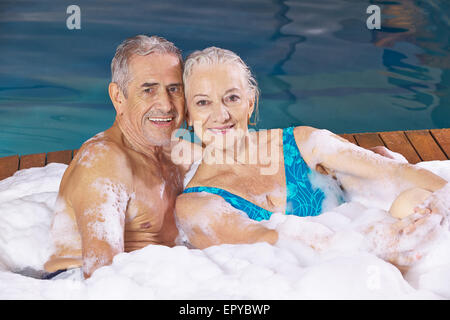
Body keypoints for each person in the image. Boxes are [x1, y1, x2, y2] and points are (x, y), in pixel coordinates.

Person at [174, 47, 448, 265]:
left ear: (250, 102)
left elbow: (397, 174)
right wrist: (378, 245)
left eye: (231, 98)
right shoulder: (197, 204)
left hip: (381, 261)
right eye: (202, 103)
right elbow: (270, 243)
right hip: (324, 279)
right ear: (188, 114)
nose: (220, 115)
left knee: (415, 202)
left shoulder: (303, 143)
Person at [44, 35, 196, 279]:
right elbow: (101, 280)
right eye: (148, 90)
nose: (166, 105)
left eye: (174, 89)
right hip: (72, 286)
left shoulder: (174, 152)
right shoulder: (105, 162)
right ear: (118, 97)